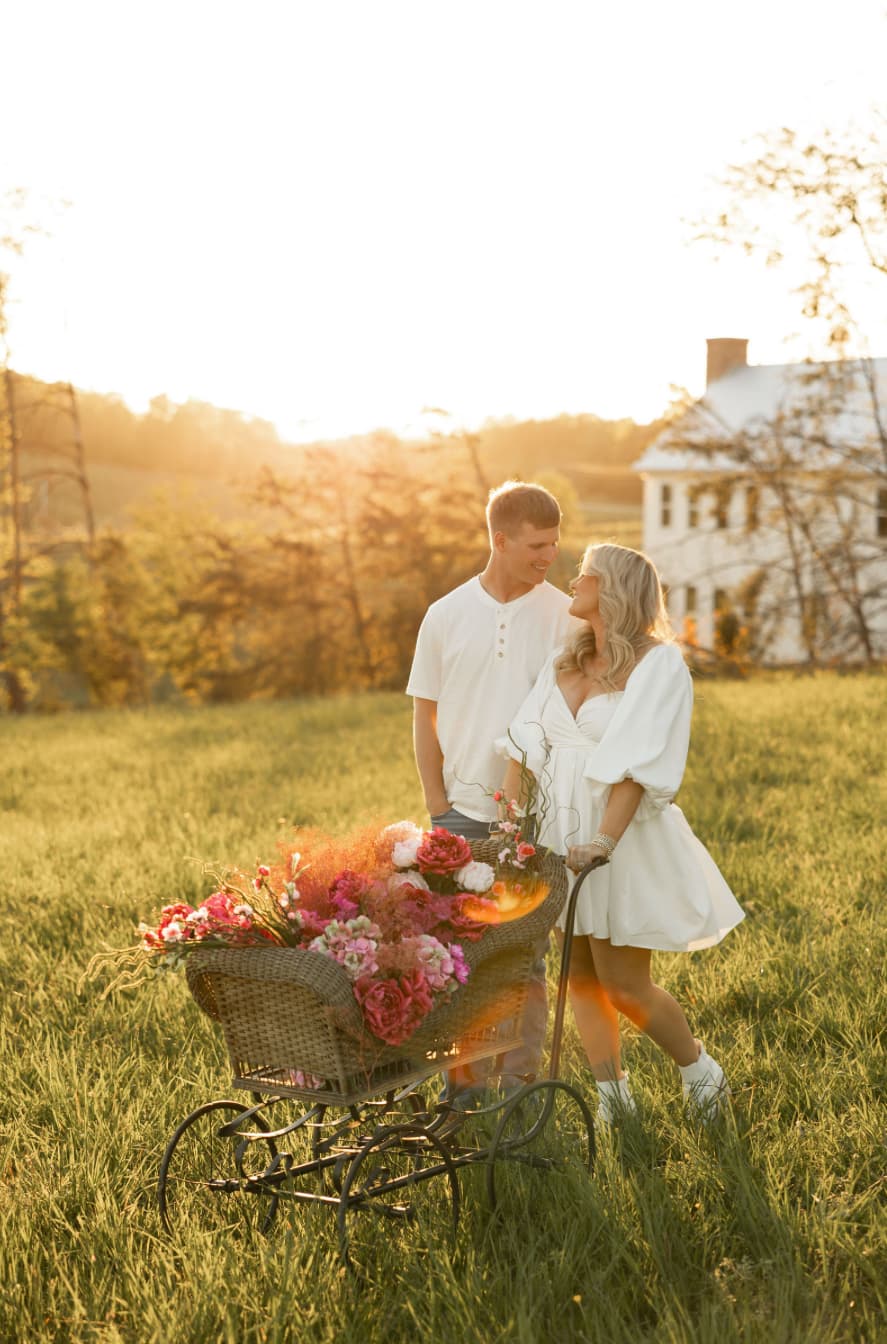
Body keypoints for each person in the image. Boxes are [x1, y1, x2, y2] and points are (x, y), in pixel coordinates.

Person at [500, 542, 745, 1123]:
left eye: (585, 573)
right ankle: (615, 1101)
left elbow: (637, 766)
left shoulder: (658, 664)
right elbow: (521, 747)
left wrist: (603, 844)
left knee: (624, 984)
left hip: (619, 839)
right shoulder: (566, 658)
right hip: (562, 835)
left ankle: (702, 1074)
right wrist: (509, 831)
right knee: (579, 977)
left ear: (613, 588)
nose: (573, 580)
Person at [406, 480, 580, 1100]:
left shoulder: (564, 616)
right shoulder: (445, 614)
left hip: (535, 821)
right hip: (459, 817)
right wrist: (438, 806)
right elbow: (423, 717)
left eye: (553, 545)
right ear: (499, 540)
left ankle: (520, 1091)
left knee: (525, 959)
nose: (548, 557)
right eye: (536, 545)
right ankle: (463, 1093)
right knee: (455, 961)